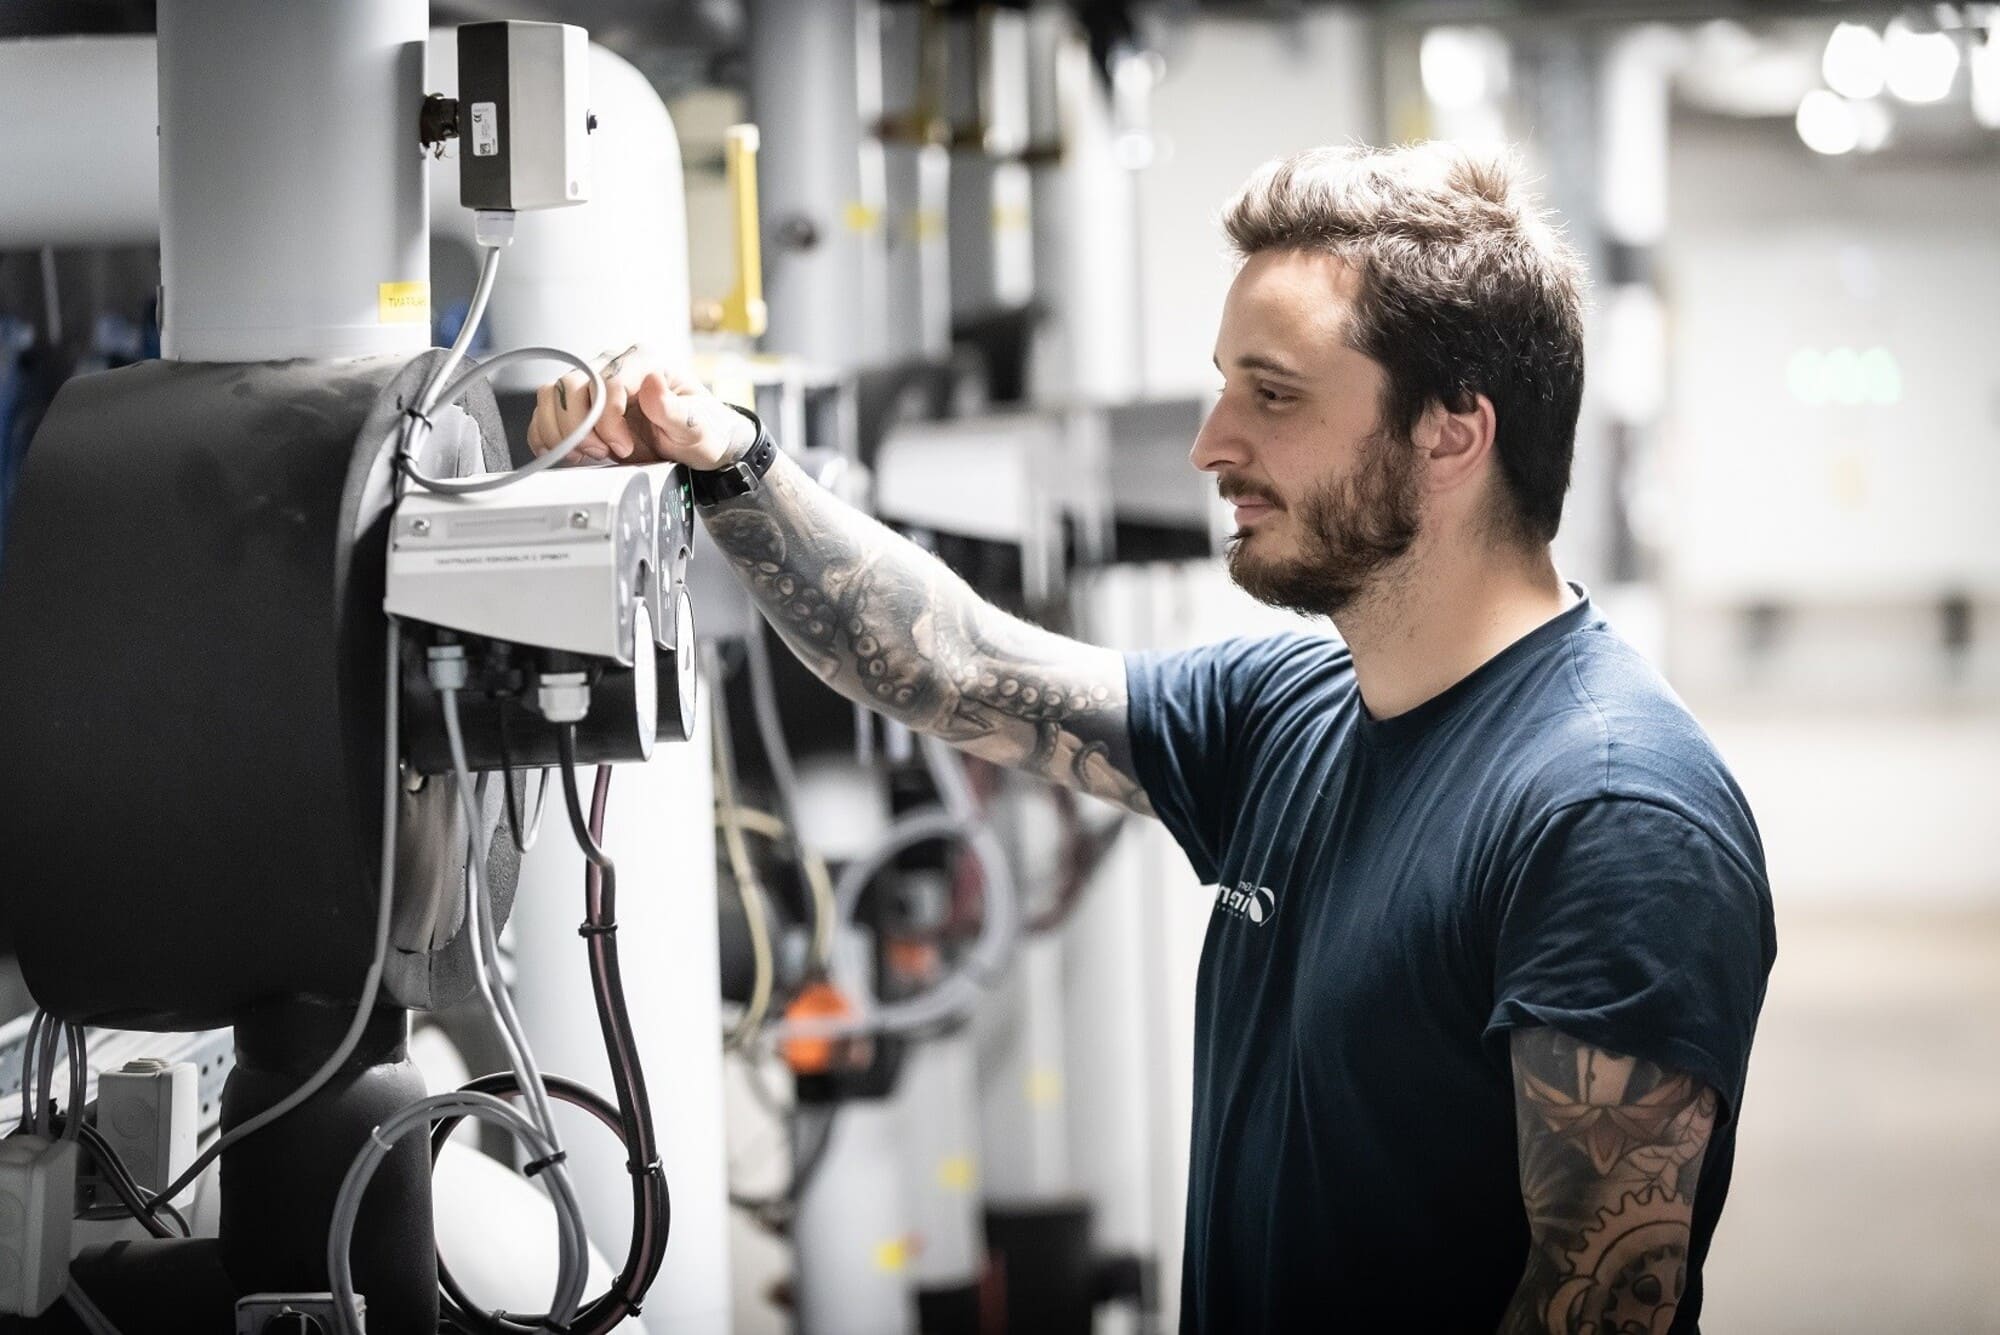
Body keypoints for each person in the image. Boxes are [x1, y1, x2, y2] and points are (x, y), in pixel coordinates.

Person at [529, 142, 1776, 1334]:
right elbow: (949, 662)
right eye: (1223, 385)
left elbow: (1600, 1302)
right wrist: (725, 462)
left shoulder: (1606, 816)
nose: (1207, 445)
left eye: (1271, 395)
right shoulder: (1290, 714)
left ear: (1452, 429)